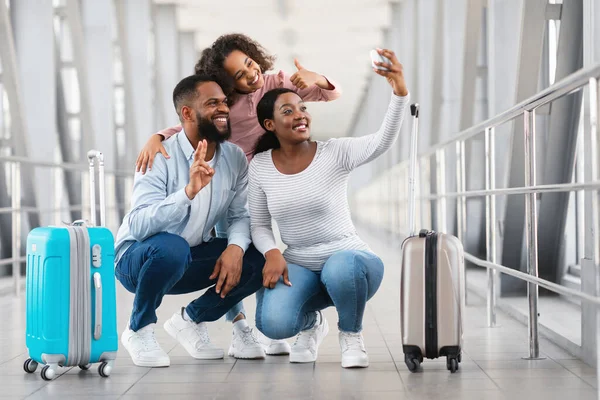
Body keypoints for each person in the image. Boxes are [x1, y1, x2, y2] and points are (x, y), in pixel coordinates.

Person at [133, 33, 342, 355]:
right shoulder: (227, 103)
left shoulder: (277, 82)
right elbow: (196, 121)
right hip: (237, 187)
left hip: (277, 180)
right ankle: (242, 328)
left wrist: (320, 79)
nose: (250, 75)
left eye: (249, 64)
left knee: (272, 252)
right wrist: (158, 135)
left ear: (253, 55)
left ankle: (287, 322)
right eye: (239, 76)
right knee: (234, 256)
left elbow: (329, 95)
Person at [248, 49, 409, 368]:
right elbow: (260, 225)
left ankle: (351, 334)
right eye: (288, 111)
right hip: (300, 263)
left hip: (353, 261)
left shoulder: (335, 152)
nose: (300, 115)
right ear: (270, 124)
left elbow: (382, 141)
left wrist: (399, 93)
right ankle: (311, 324)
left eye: (302, 108)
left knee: (339, 269)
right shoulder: (261, 167)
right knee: (274, 326)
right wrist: (272, 252)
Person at [114, 74, 266, 368]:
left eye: (224, 102)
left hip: (187, 257)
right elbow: (138, 226)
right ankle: (138, 329)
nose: (223, 109)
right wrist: (187, 193)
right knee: (172, 246)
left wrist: (235, 249)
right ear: (187, 113)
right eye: (212, 104)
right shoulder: (160, 155)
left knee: (256, 259)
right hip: (136, 260)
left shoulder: (234, 158)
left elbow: (240, 215)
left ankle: (191, 320)